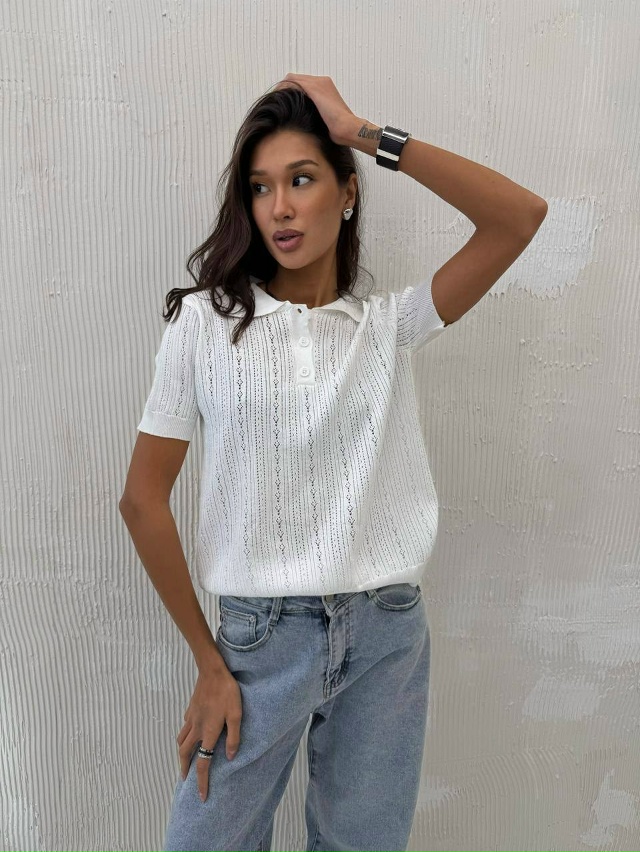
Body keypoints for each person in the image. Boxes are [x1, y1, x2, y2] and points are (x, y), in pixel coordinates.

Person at [119, 73, 547, 852]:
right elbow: (142, 500)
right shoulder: (205, 326)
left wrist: (360, 133)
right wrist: (209, 663)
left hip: (386, 633)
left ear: (347, 194)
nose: (279, 207)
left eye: (302, 180)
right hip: (261, 640)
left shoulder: (388, 328)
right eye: (260, 188)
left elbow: (518, 217)